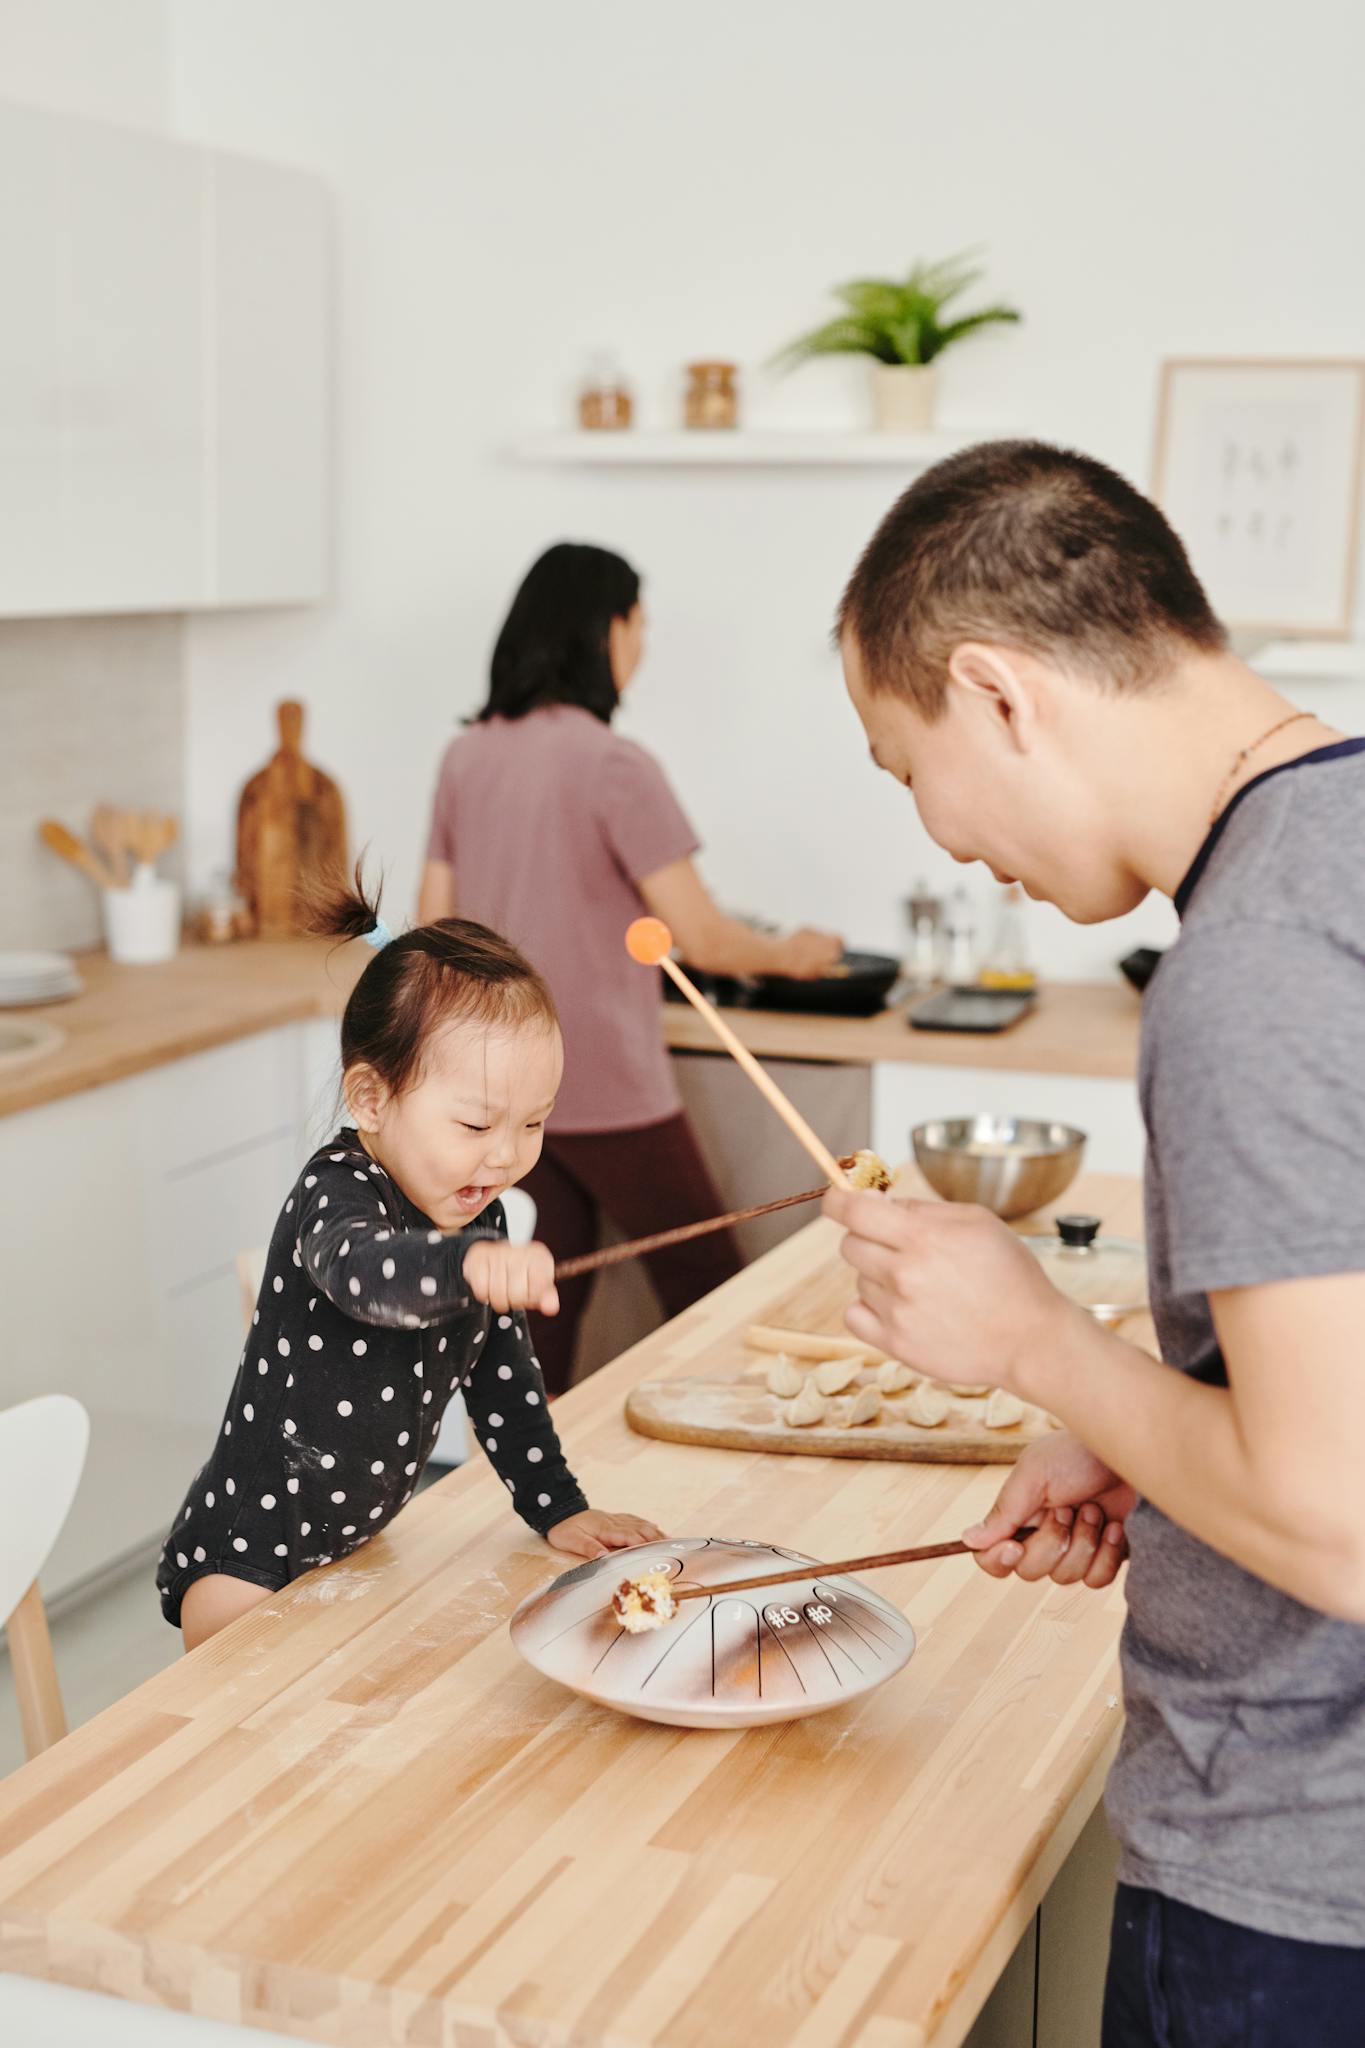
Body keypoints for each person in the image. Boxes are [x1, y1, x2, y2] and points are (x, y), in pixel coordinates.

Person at [823, 440, 1365, 2046]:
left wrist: (1036, 1342)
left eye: (898, 761)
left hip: (1291, 1890)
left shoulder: (1253, 967)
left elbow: (1338, 1519)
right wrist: (1136, 1417)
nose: (936, 834)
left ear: (996, 693)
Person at [156, 872, 661, 1651]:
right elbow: (366, 1275)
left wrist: (557, 1507)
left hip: (355, 1547)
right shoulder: (335, 1191)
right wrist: (465, 1268)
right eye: (474, 1123)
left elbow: (501, 1377)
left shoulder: (475, 1211)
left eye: (532, 1124)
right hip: (249, 1562)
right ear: (371, 1100)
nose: (505, 1156)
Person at [419, 542, 843, 1393]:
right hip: (605, 1081)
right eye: (638, 624)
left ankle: (522, 1497)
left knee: (543, 1302)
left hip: (503, 1083)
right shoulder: (614, 764)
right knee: (711, 1283)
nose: (642, 646)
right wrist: (793, 956)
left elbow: (432, 930)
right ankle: (752, 1470)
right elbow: (705, 937)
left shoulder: (467, 756)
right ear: (604, 630)